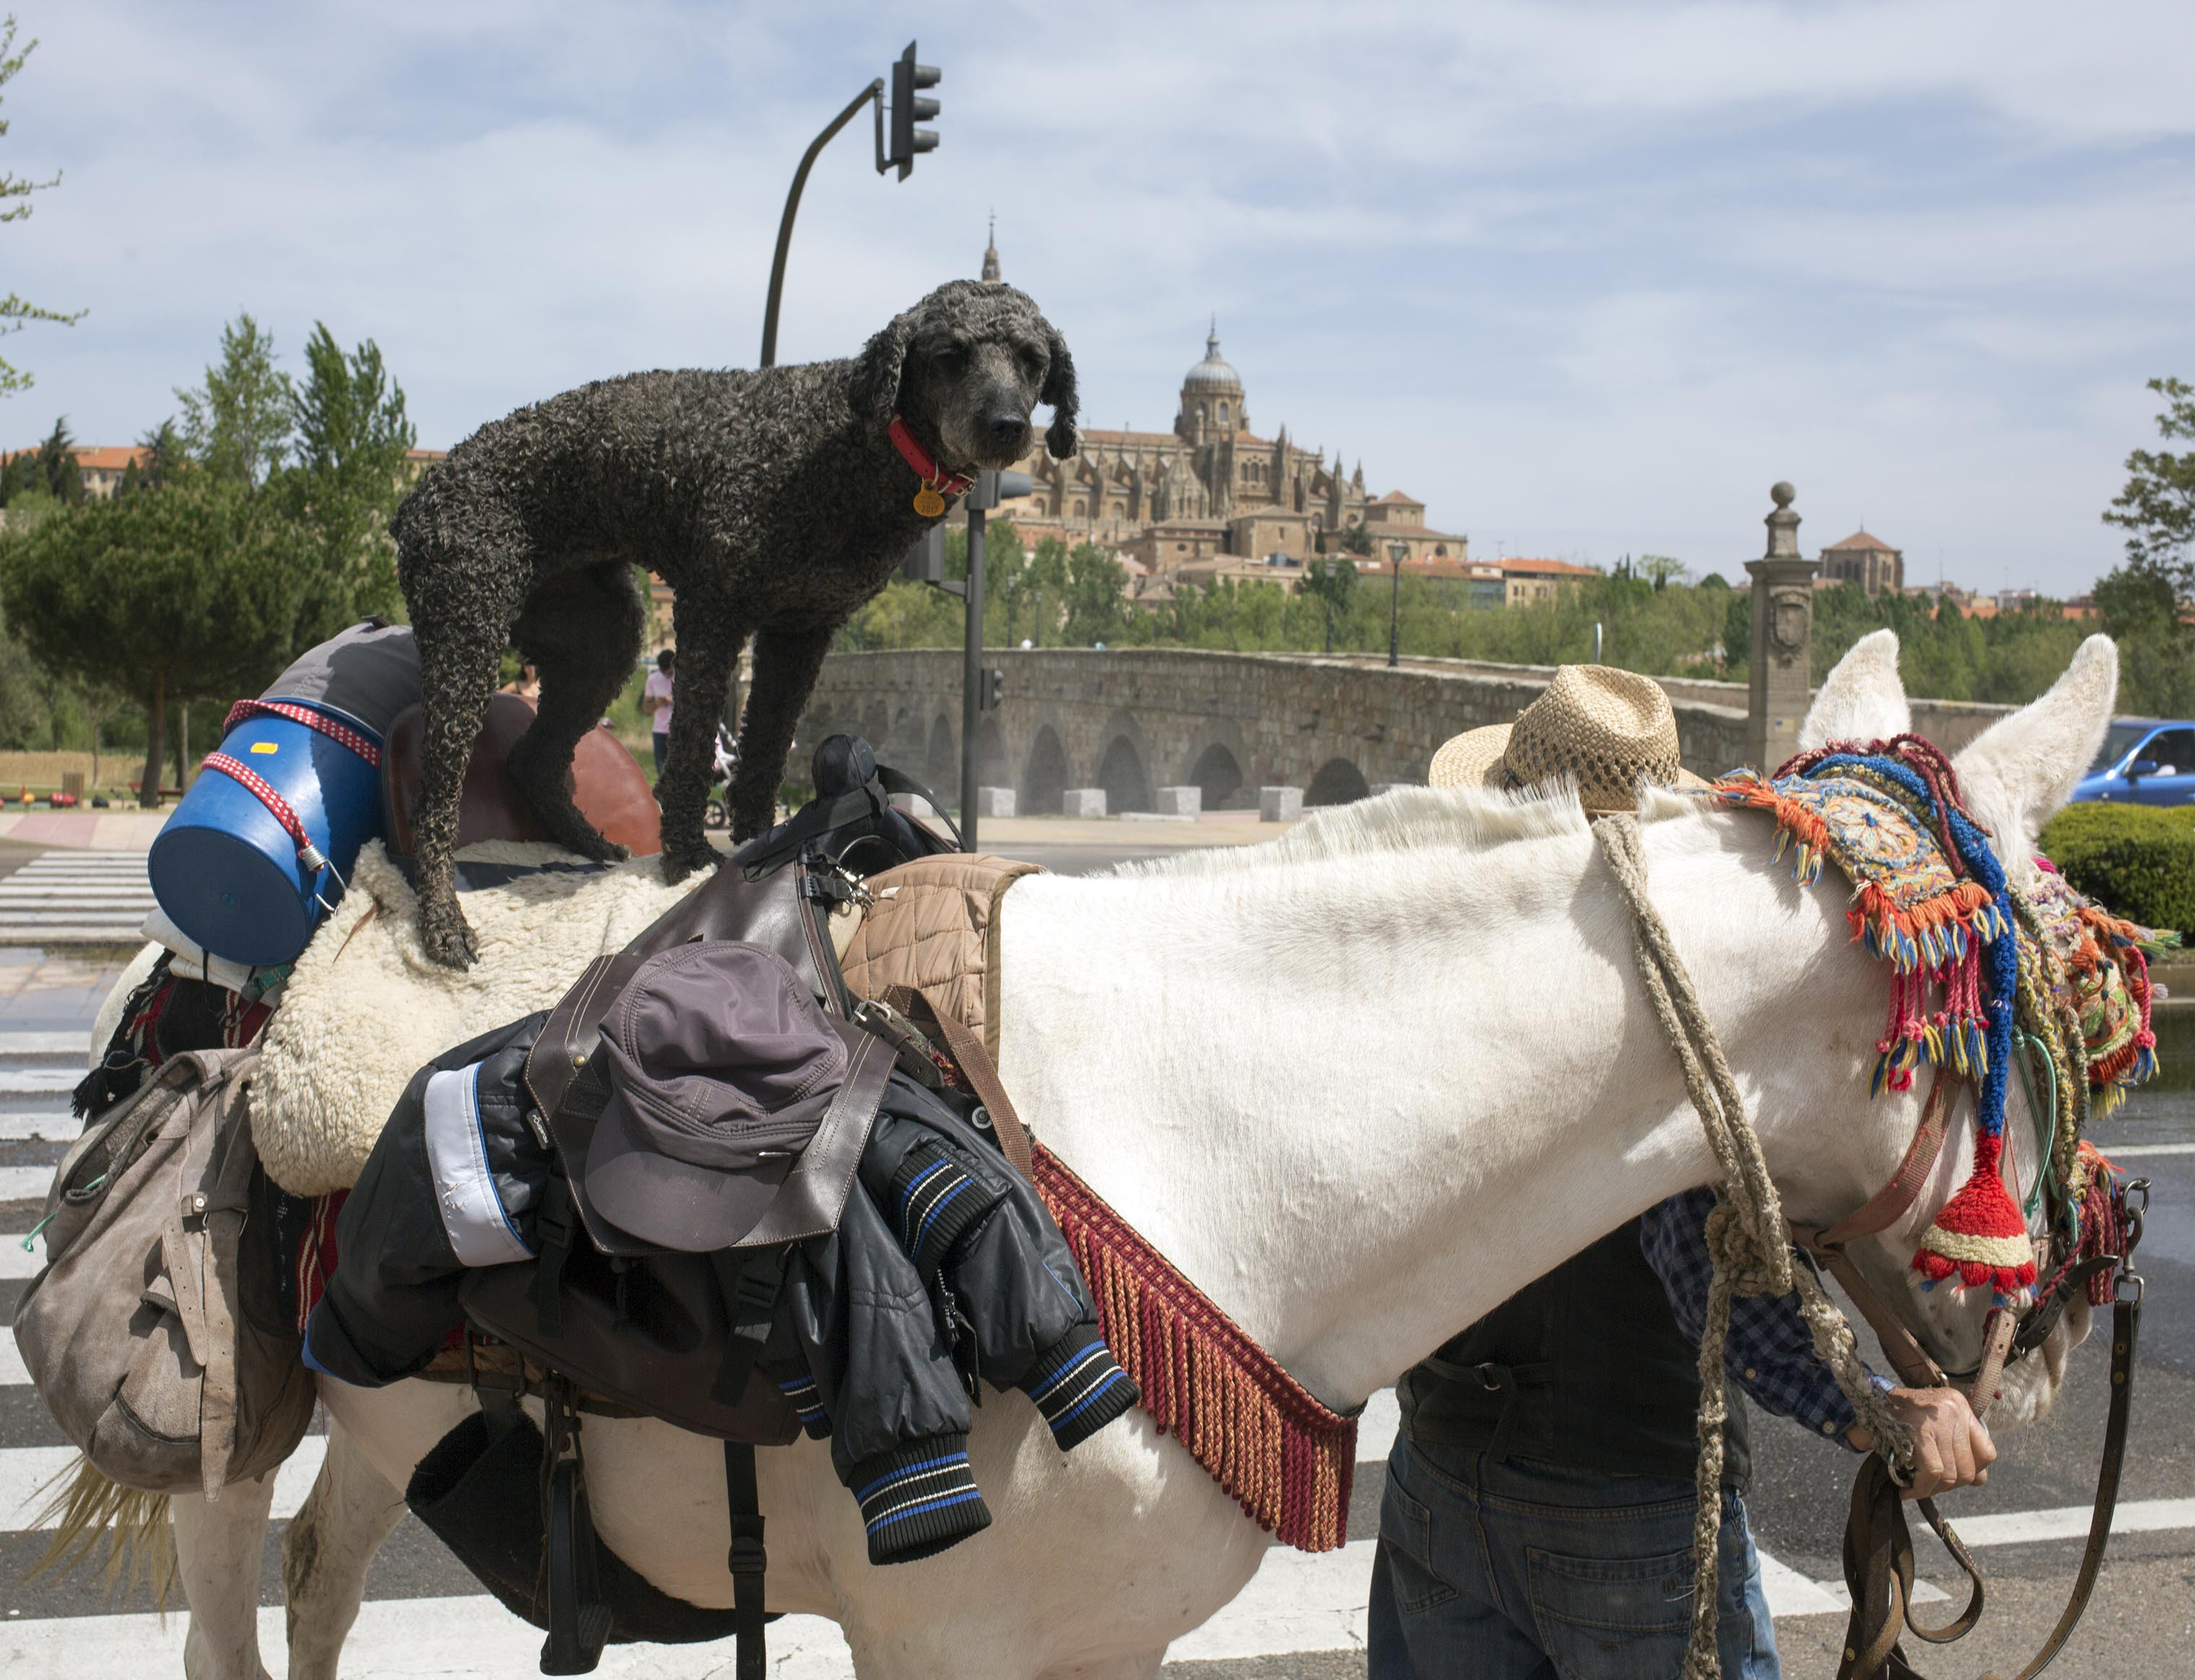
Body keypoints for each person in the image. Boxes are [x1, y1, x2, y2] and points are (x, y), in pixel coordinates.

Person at [1369, 669, 1996, 1680]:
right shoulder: (1655, 1015)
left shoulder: (1437, 975)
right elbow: (1702, 1268)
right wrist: (1875, 1411)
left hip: (1439, 1478)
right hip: (1622, 1511)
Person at [642, 647, 675, 776]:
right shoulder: (653, 679)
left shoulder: (682, 678)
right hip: (660, 732)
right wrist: (660, 702)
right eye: (665, 672)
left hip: (677, 730)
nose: (668, 674)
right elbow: (646, 708)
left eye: (670, 672)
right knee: (662, 771)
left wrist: (673, 698)